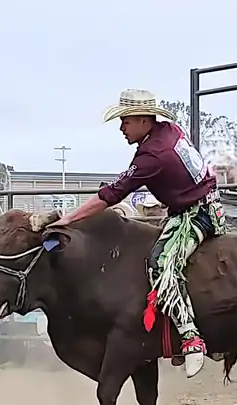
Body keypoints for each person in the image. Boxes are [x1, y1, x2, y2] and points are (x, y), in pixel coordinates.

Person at [51, 89, 225, 378]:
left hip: (194, 215)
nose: (121, 128)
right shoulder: (169, 131)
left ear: (144, 120)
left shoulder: (152, 155)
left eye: (126, 121)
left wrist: (69, 218)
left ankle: (191, 339)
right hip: (202, 206)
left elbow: (113, 194)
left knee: (159, 263)